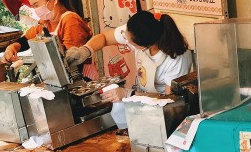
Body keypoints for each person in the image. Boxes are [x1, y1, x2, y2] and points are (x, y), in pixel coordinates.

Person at [65, 9, 193, 95]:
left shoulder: (177, 58)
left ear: (146, 46)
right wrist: (86, 50)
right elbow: (104, 38)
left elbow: (169, 101)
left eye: (131, 43)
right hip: (141, 97)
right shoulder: (135, 30)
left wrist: (128, 94)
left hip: (161, 107)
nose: (125, 40)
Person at [2, 0, 92, 63]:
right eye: (33, 6)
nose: (36, 9)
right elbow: (26, 40)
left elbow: (72, 59)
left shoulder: (70, 20)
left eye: (36, 5)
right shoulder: (45, 23)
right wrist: (12, 47)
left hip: (81, 75)